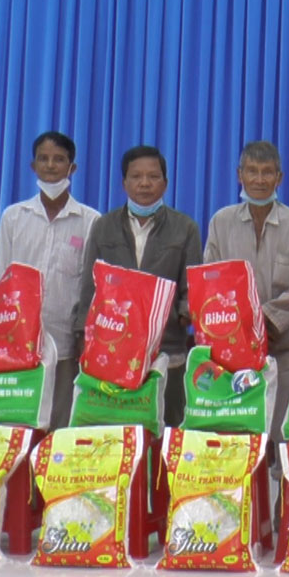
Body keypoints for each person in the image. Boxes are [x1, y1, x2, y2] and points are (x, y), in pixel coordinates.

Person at [203, 141, 289, 448]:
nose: (259, 180)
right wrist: (240, 325)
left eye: (267, 172)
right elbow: (210, 283)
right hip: (233, 353)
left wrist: (265, 319)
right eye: (252, 172)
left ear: (279, 178)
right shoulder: (221, 222)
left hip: (285, 352)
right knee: (237, 442)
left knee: (282, 441)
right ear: (239, 175)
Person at [77, 145, 203, 428]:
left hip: (167, 353)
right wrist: (82, 339)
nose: (144, 183)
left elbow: (191, 289)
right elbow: (90, 289)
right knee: (116, 433)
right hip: (112, 352)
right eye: (136, 176)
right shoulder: (103, 227)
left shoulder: (186, 228)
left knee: (166, 433)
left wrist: (180, 315)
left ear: (165, 183)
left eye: (153, 176)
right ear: (124, 182)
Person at [0, 131, 99, 428]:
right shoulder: (14, 217)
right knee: (20, 423)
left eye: (59, 159)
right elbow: (0, 278)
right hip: (18, 340)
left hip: (64, 340)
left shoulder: (91, 221)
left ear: (72, 168)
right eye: (44, 159)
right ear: (32, 166)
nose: (51, 166)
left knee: (61, 422)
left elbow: (93, 288)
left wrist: (85, 336)